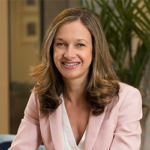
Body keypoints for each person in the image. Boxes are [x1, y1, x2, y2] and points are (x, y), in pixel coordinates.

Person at [9, 7, 142, 150]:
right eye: (61, 44)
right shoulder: (42, 95)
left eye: (80, 45)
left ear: (95, 50)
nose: (69, 54)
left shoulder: (126, 99)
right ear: (51, 49)